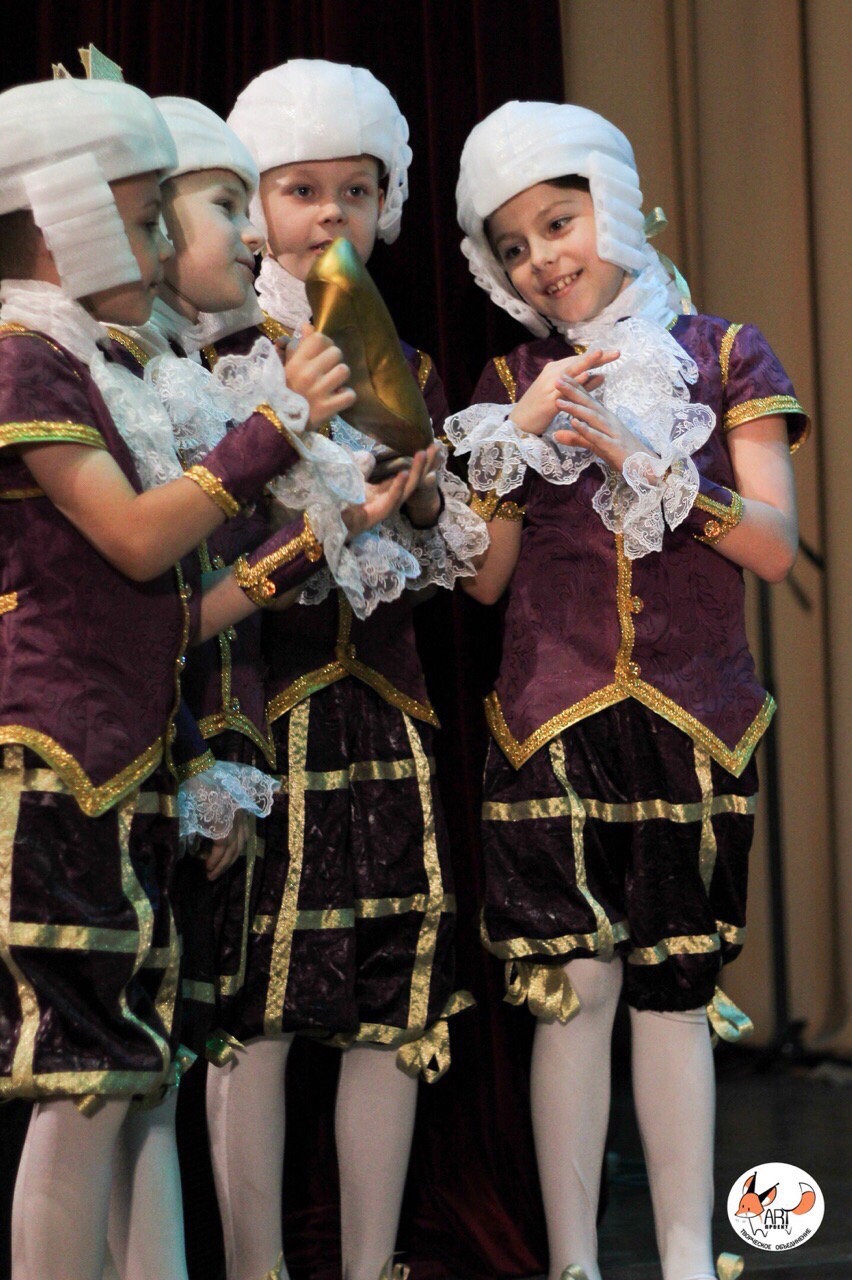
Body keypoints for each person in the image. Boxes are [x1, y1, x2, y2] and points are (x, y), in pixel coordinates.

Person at [0, 73, 413, 1280]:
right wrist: (274, 430)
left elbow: (173, 612)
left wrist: (327, 533)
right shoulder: (27, 358)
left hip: (126, 748)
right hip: (57, 748)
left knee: (131, 1074)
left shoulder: (95, 363)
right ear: (63, 223)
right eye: (147, 219)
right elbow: (138, 543)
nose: (168, 245)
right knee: (84, 1077)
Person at [447, 101, 807, 1280]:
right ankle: (572, 1262)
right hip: (548, 718)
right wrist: (504, 450)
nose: (543, 258)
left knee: (675, 994)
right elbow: (486, 581)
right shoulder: (509, 379)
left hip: (697, 717)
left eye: (560, 221)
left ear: (615, 202)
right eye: (513, 245)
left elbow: (772, 547)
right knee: (571, 995)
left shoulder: (725, 352)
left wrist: (644, 462)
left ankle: (686, 1257)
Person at [196, 58, 488, 1280]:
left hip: (390, 709)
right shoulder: (217, 353)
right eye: (302, 189)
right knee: (254, 999)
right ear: (255, 204)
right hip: (266, 708)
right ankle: (256, 1265)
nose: (330, 214)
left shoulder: (405, 362)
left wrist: (418, 507)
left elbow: (443, 560)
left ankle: (370, 1264)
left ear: (386, 203)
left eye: (354, 191)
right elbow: (202, 545)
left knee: (392, 997)